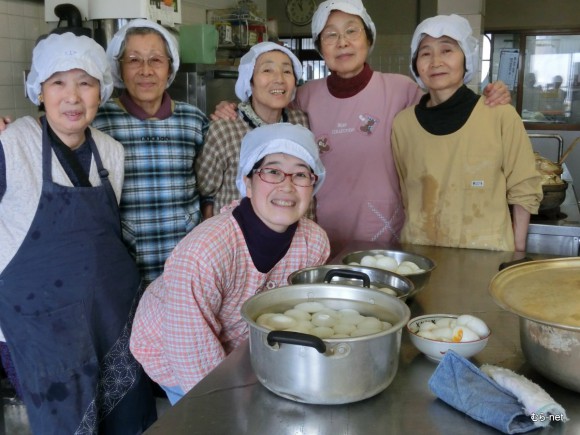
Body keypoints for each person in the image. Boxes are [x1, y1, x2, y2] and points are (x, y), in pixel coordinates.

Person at [211, 0, 511, 255]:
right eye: (331, 35)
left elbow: (446, 107)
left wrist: (487, 96)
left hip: (385, 226)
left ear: (368, 38)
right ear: (320, 48)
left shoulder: (402, 90)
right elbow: (268, 113)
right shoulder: (304, 96)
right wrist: (232, 106)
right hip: (313, 227)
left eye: (351, 31)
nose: (342, 42)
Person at [0, 32, 156, 433]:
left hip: (109, 321)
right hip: (39, 328)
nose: (72, 97)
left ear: (100, 92)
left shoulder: (111, 152)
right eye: (58, 83)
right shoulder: (11, 144)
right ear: (38, 91)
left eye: (85, 83)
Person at [129, 123, 330, 405]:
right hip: (173, 347)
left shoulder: (314, 241)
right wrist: (227, 409)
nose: (287, 185)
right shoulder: (204, 253)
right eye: (272, 171)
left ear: (314, 184)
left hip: (240, 345)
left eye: (300, 174)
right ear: (247, 182)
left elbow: (300, 314)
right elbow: (191, 355)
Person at [0, 19, 209, 288]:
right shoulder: (87, 123)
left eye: (156, 60)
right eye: (133, 59)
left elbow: (210, 186)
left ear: (170, 67)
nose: (146, 70)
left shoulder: (191, 121)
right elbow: (49, 131)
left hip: (179, 268)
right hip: (113, 275)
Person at [391, 14, 543, 252]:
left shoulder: (499, 115)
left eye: (447, 50)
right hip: (420, 255)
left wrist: (517, 251)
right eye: (425, 53)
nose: (436, 61)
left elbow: (524, 188)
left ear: (467, 58)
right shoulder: (403, 124)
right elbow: (406, 193)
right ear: (416, 65)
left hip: (488, 254)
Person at [195, 41, 309, 219]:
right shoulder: (225, 129)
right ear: (249, 80)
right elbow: (203, 191)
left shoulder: (300, 123)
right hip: (237, 237)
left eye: (287, 71)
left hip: (295, 236)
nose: (279, 78)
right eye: (267, 70)